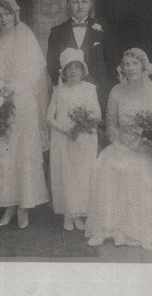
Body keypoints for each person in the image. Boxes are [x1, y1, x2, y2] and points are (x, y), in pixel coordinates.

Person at [85, 48, 152, 250]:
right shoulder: (116, 92)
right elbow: (111, 127)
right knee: (106, 167)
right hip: (124, 145)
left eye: (134, 63)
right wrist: (126, 141)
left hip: (151, 150)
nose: (130, 68)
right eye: (126, 64)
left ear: (144, 66)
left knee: (143, 171)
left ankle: (143, 231)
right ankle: (106, 229)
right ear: (122, 68)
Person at [0, 0, 50, 229]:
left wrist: (11, 88)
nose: (4, 19)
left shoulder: (26, 36)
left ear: (15, 14)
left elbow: (34, 74)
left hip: (21, 103)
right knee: (3, 154)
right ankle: (7, 205)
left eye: (7, 13)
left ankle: (23, 207)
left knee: (21, 154)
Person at [47, 48, 101, 231]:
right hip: (63, 138)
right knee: (66, 175)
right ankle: (67, 215)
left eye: (77, 67)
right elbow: (49, 117)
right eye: (70, 67)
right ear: (63, 71)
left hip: (84, 137)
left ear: (83, 70)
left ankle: (79, 214)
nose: (73, 71)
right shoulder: (57, 91)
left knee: (81, 176)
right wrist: (66, 130)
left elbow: (97, 114)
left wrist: (82, 125)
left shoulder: (89, 89)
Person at [46, 0, 112, 115]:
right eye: (75, 2)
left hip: (97, 94)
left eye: (84, 2)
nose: (80, 6)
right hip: (68, 95)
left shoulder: (102, 31)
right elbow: (52, 66)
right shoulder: (57, 32)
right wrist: (64, 89)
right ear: (68, 5)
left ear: (90, 4)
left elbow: (110, 63)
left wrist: (105, 92)